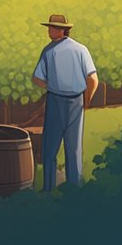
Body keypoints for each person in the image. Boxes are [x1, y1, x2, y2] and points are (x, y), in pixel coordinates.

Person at [31, 13, 99, 191]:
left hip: (55, 101)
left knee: (50, 149)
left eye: (52, 27)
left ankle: (48, 189)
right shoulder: (81, 49)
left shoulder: (48, 51)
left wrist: (52, 85)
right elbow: (93, 80)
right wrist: (87, 100)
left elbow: (36, 79)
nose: (49, 30)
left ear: (62, 30)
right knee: (74, 149)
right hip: (77, 102)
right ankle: (74, 190)